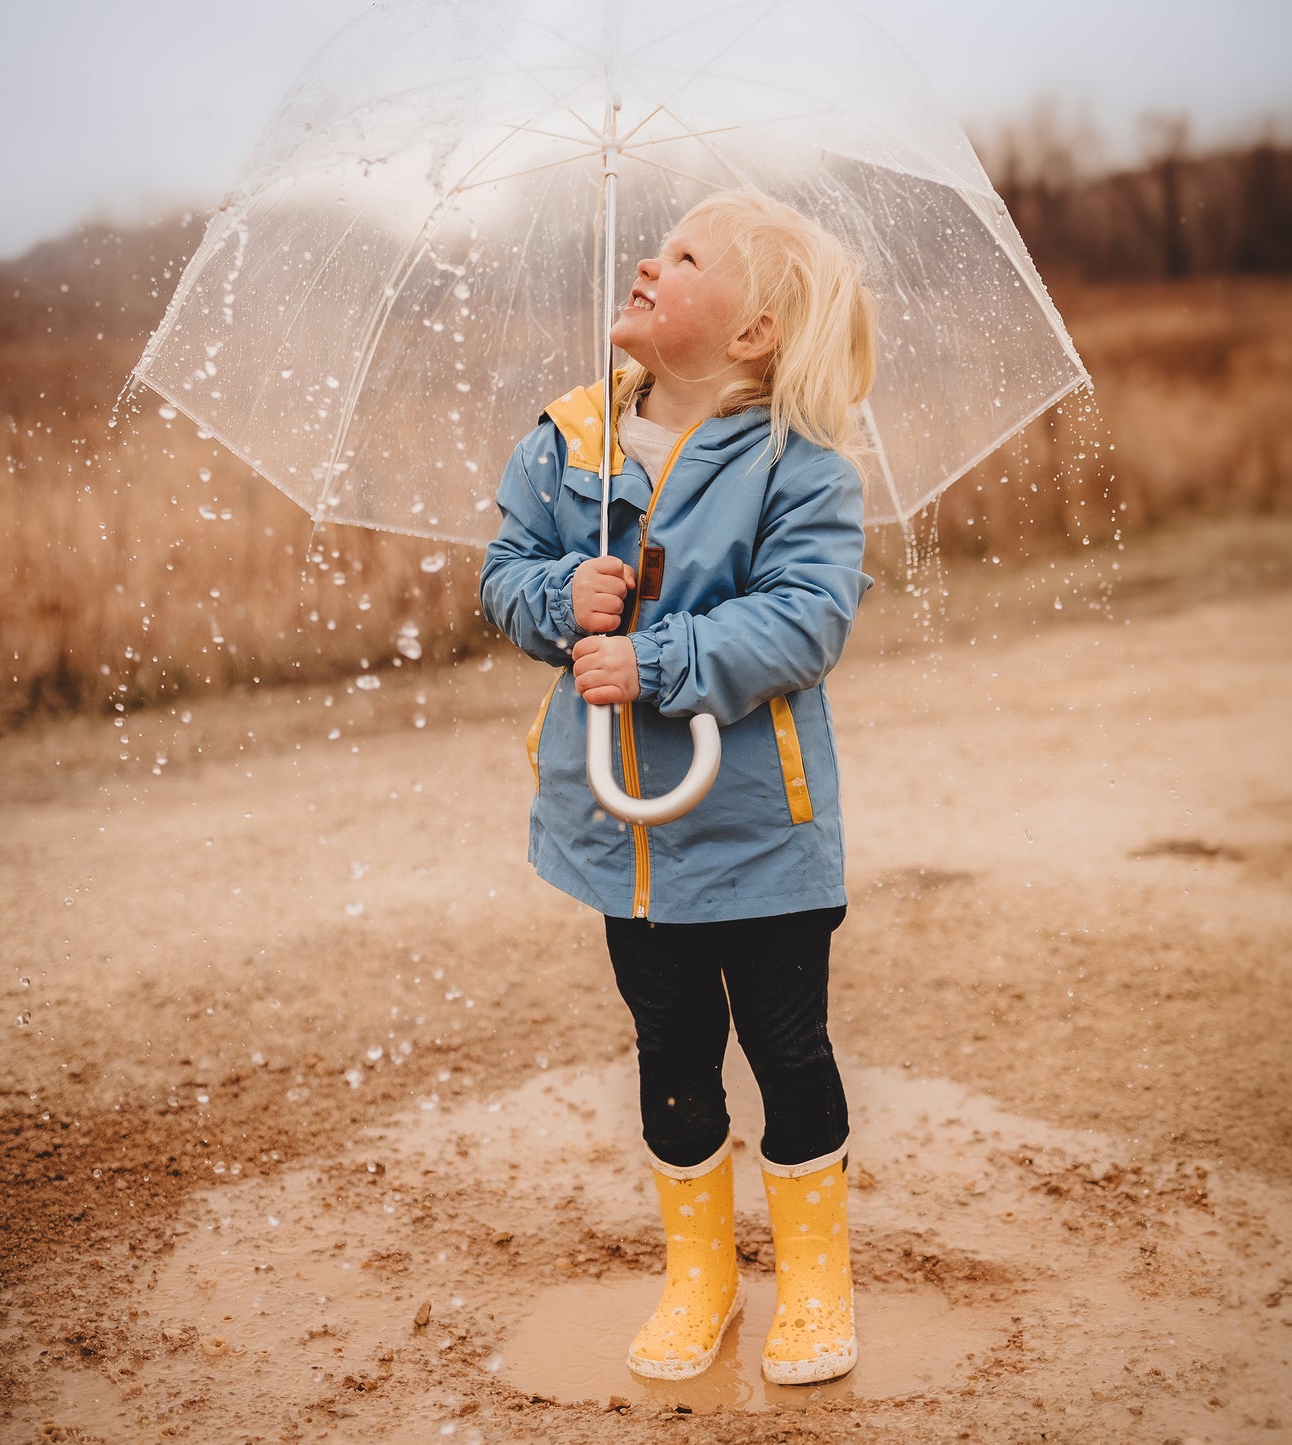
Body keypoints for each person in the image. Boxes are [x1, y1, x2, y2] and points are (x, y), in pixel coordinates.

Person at [479, 188, 876, 1385]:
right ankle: (699, 1275)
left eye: (686, 256)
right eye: (653, 246)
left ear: (749, 331)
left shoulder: (797, 462)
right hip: (626, 834)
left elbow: (806, 618)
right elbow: (504, 573)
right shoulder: (568, 439)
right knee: (669, 1048)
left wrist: (652, 655)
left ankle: (811, 1279)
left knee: (786, 1046)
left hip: (758, 831)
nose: (648, 263)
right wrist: (561, 599)